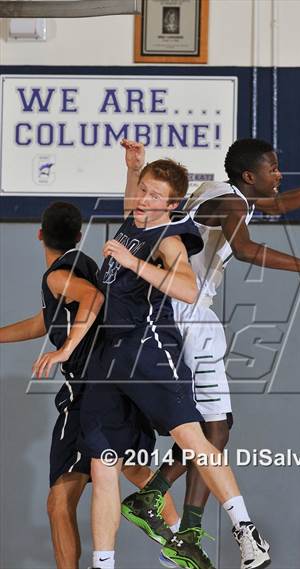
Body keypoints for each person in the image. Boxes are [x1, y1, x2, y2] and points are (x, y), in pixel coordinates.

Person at [120, 138, 300, 569]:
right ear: (249, 176)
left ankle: (165, 506)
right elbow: (247, 249)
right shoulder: (230, 205)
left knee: (213, 430)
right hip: (185, 313)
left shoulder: (223, 194)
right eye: (273, 168)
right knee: (211, 431)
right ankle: (168, 509)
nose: (279, 174)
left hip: (180, 310)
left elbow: (276, 206)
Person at [0, 202, 179, 569]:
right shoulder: (81, 268)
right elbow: (45, 321)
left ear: (39, 234)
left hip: (89, 391)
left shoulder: (59, 275)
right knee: (127, 473)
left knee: (72, 496)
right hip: (112, 384)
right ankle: (182, 540)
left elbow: (91, 298)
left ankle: (182, 540)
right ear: (79, 235)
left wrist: (66, 349)